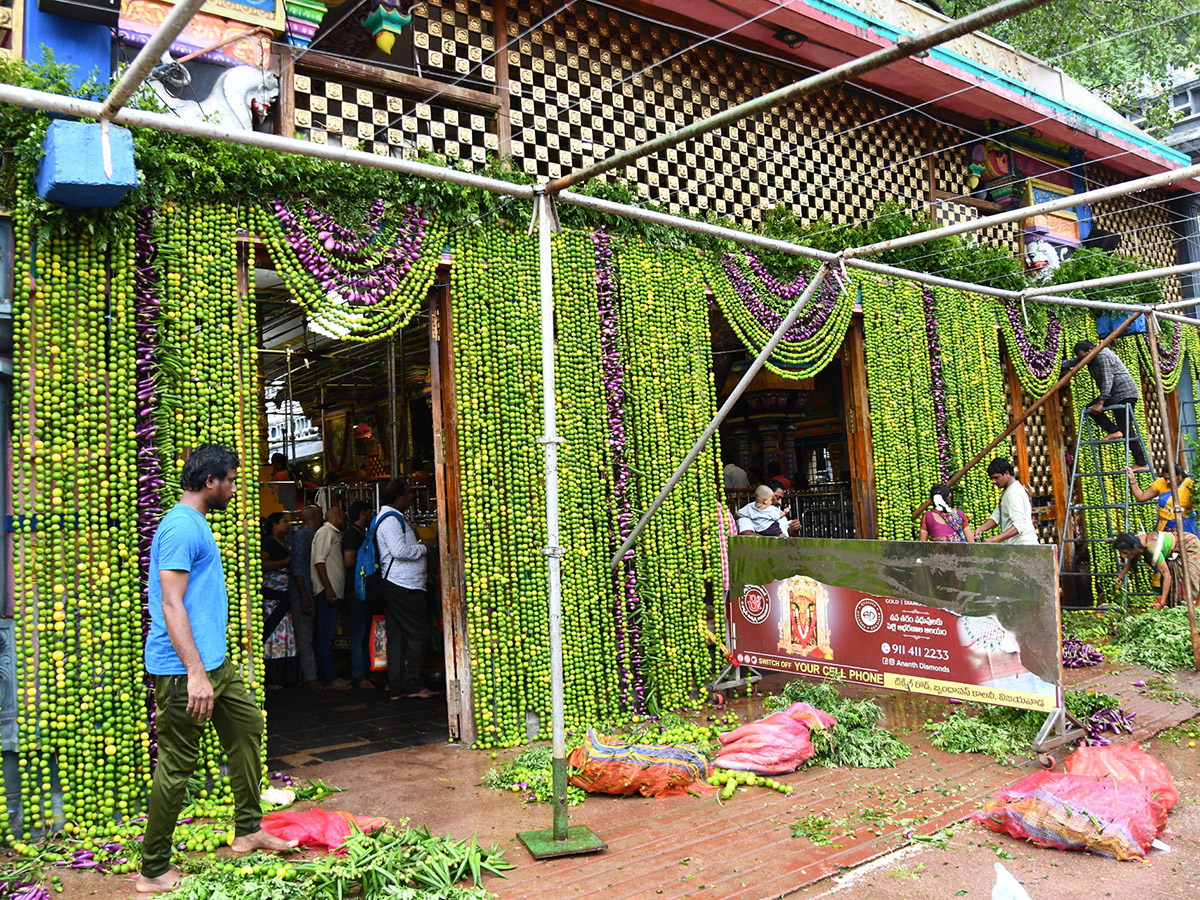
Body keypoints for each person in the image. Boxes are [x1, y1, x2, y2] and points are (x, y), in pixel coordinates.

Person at [137, 444, 296, 893]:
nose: (234, 486)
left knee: (246, 726)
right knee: (176, 764)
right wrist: (195, 674)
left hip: (215, 665)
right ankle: (152, 870)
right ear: (211, 482)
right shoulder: (181, 529)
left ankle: (248, 829)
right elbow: (171, 604)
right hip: (184, 670)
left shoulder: (196, 524)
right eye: (230, 479)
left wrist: (211, 667)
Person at [376, 477, 438, 700]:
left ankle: (396, 686)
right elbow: (399, 551)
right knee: (419, 634)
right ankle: (413, 684)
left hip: (400, 583)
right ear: (399, 497)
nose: (412, 497)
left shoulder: (392, 518)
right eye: (409, 493)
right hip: (402, 584)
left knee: (397, 636)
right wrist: (423, 549)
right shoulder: (391, 520)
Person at [1068, 340, 1148, 470]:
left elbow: (1108, 379)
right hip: (1113, 395)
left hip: (1124, 392)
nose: (1085, 361)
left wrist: (1101, 402)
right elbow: (1072, 362)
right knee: (1090, 409)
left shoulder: (1102, 355)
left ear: (1091, 349)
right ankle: (1114, 430)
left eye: (1085, 357)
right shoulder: (1091, 357)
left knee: (1126, 428)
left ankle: (1141, 463)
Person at [311, 505, 350, 691]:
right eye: (343, 515)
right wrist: (328, 589)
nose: (345, 519)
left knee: (327, 635)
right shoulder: (325, 531)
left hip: (333, 592)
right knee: (325, 636)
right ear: (336, 516)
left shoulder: (333, 533)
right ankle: (330, 677)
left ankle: (332, 676)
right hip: (328, 593)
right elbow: (319, 561)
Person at [1114, 530, 1200, 610]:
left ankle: (1193, 610)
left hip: (1188, 546)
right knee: (1173, 587)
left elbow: (1167, 576)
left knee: (1187, 582)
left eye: (1125, 552)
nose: (1124, 555)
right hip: (1174, 550)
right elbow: (1131, 559)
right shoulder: (1137, 542)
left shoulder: (1152, 549)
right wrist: (1121, 576)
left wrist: (1162, 603)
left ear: (1134, 547)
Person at [260, 512, 298, 689]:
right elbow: (262, 564)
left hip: (284, 596)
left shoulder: (285, 542)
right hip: (273, 598)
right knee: (273, 635)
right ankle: (272, 677)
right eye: (284, 522)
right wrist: (284, 561)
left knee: (285, 635)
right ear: (274, 525)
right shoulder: (268, 543)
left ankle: (285, 675)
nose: (288, 525)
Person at [289, 505, 323, 692]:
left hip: (308, 592)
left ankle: (308, 676)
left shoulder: (310, 536)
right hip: (303, 593)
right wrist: (303, 596)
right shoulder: (304, 537)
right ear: (313, 517)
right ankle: (311, 678)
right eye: (319, 515)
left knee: (308, 635)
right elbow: (298, 569)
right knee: (305, 636)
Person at [342, 500, 376, 690]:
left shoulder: (360, 533)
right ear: (363, 513)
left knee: (363, 632)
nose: (370, 515)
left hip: (362, 589)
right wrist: (367, 560)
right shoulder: (352, 535)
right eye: (369, 512)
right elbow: (348, 560)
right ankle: (359, 675)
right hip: (355, 589)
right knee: (358, 633)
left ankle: (365, 672)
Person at [977, 458, 1038, 545]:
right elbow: (996, 516)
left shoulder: (1014, 493)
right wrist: (980, 529)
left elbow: (1019, 525)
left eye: (996, 477)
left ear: (1007, 474)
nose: (994, 481)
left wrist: (996, 539)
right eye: (992, 479)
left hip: (1023, 545)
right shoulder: (1007, 491)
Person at [1126, 463, 1197, 535]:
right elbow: (1141, 497)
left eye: (1170, 478)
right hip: (1165, 526)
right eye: (1165, 479)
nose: (1167, 481)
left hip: (1185, 525)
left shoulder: (1190, 485)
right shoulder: (1161, 483)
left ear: (1180, 475)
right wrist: (1132, 479)